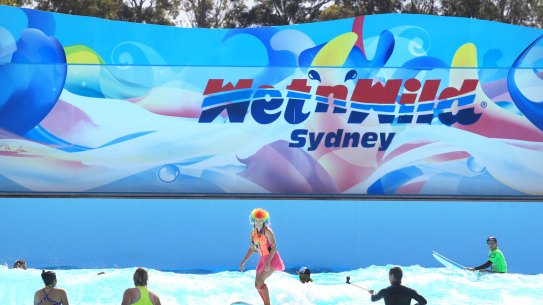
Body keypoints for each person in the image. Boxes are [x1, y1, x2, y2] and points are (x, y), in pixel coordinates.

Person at [239, 208, 285, 305]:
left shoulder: (267, 231)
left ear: (264, 221)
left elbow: (274, 247)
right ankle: (265, 303)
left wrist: (268, 262)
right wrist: (243, 262)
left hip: (272, 259)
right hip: (262, 260)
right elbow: (252, 248)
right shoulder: (253, 233)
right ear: (253, 221)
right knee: (256, 284)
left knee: (260, 281)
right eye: (256, 220)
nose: (258, 223)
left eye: (260, 221)